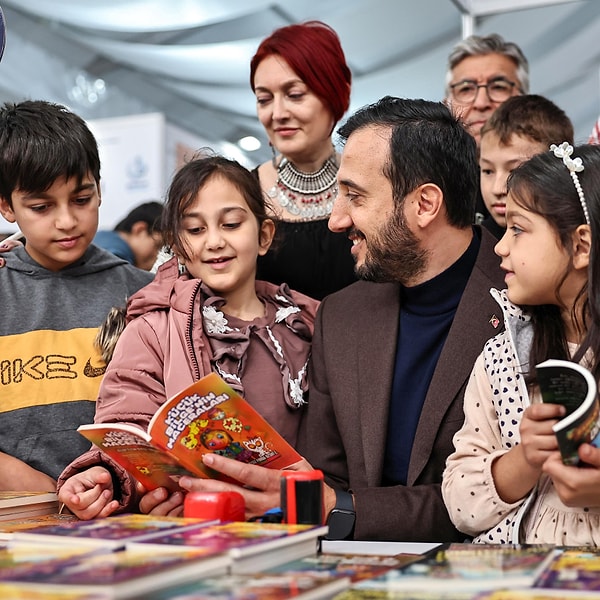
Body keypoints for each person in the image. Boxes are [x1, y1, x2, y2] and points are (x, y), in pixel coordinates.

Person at [153, 97, 507, 542]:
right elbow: (325, 478)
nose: (336, 220)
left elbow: (510, 490)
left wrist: (341, 508)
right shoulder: (342, 316)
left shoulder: (525, 304)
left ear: (425, 204)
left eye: (355, 196)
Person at [56, 154, 319, 520]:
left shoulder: (306, 324)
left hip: (296, 523)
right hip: (198, 526)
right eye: (195, 230)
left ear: (263, 235)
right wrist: (107, 478)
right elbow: (127, 425)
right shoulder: (152, 329)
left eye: (230, 224)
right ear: (178, 246)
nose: (213, 242)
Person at [442, 142, 600, 545]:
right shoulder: (501, 359)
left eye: (518, 228)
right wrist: (523, 460)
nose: (500, 246)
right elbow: (459, 504)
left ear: (581, 246)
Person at [0, 100, 153, 492]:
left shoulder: (142, 293)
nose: (67, 221)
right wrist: (30, 483)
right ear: (6, 206)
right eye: (41, 206)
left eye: (81, 199)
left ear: (99, 189)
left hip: (118, 511)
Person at [251, 20, 357, 300]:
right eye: (264, 99)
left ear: (333, 95)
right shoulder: (242, 192)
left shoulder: (374, 181)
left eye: (294, 95)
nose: (277, 113)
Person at [444, 33, 529, 225]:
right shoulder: (425, 179)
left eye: (498, 87)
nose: (481, 103)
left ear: (525, 100)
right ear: (446, 104)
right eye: (465, 89)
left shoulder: (558, 181)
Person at [479, 94, 574, 239]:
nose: (497, 189)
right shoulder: (474, 246)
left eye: (515, 171)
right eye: (487, 171)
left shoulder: (581, 242)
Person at [94, 201, 164, 270]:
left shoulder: (101, 241)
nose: (160, 257)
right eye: (158, 246)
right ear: (140, 230)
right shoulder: (115, 260)